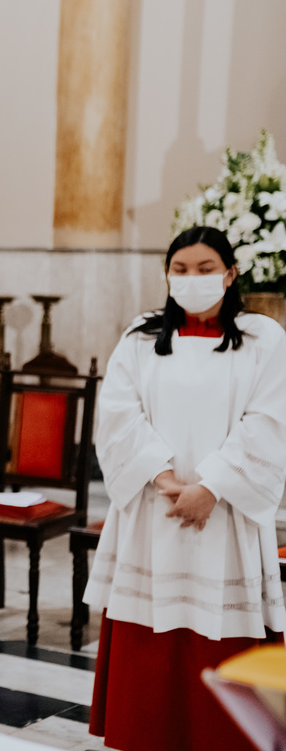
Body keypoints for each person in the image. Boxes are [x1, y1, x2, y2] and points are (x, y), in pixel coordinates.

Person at [84, 226, 286, 750]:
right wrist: (165, 478)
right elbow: (119, 415)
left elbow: (269, 420)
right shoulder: (140, 338)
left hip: (226, 516)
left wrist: (212, 487)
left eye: (205, 269)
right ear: (167, 274)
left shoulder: (264, 339)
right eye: (180, 269)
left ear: (230, 274)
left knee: (220, 636)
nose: (191, 278)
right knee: (149, 642)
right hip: (155, 510)